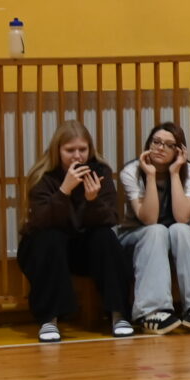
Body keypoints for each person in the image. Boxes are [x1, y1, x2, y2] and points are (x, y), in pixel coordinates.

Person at [18, 121, 134, 342]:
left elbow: (110, 218)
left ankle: (119, 315)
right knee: (50, 238)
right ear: (58, 150)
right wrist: (64, 191)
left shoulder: (100, 171)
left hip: (83, 246)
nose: (77, 156)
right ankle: (49, 319)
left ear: (90, 149)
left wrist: (93, 201)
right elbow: (40, 222)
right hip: (44, 247)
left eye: (82, 149)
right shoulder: (43, 175)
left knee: (105, 237)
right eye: (70, 150)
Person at [117, 120, 190, 334]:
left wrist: (174, 173)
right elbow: (149, 218)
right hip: (134, 237)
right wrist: (151, 175)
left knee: (182, 230)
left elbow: (182, 217)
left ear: (179, 151)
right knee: (157, 231)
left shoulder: (188, 172)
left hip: (172, 237)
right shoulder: (132, 171)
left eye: (169, 145)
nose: (160, 148)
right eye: (156, 142)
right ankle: (152, 311)